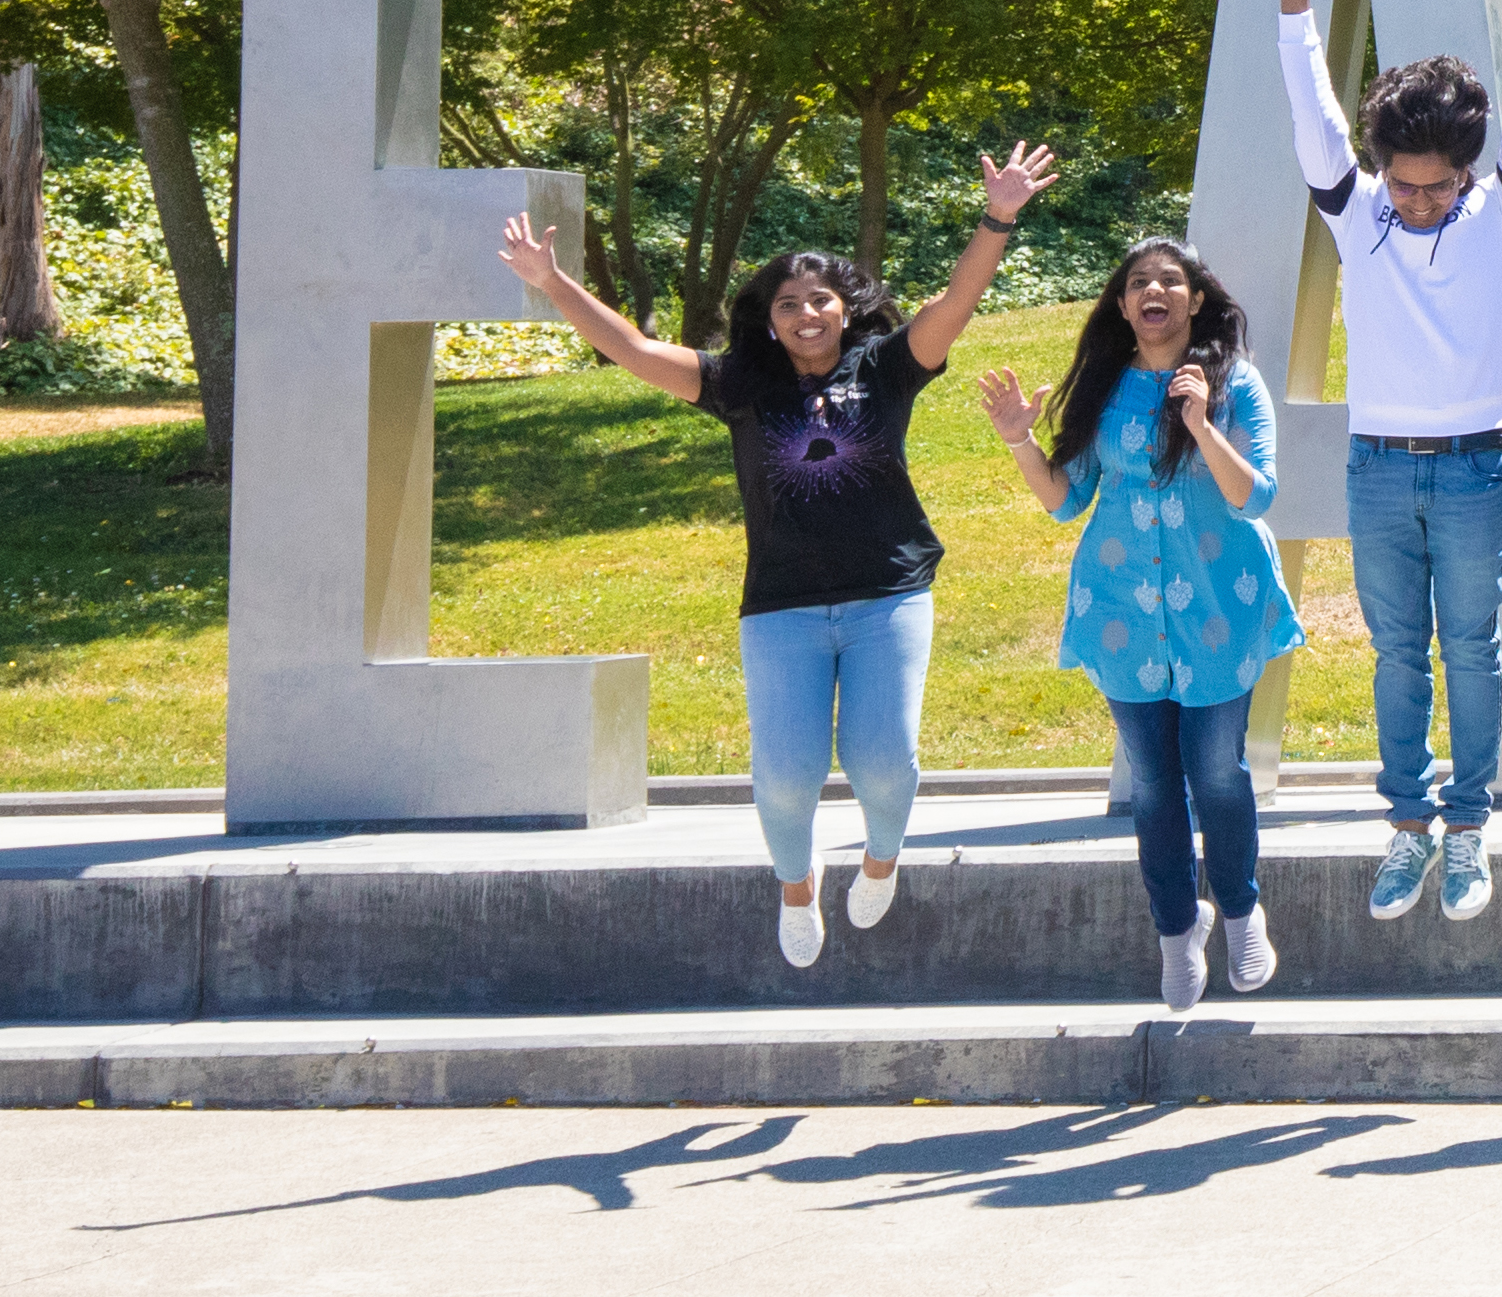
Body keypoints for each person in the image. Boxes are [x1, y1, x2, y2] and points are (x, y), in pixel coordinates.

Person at [484, 145, 1048, 972]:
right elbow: (636, 351)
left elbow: (958, 298)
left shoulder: (887, 367)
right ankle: (795, 883)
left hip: (886, 594)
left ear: (846, 308)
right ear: (770, 316)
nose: (806, 312)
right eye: (789, 303)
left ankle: (882, 857)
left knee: (882, 761)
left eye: (821, 298)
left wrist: (998, 215)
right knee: (786, 778)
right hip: (781, 605)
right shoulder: (740, 382)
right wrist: (554, 282)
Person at [1269, 0, 1502, 928]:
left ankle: (1469, 823)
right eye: (1403, 184)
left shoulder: (1499, 215)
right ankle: (1407, 826)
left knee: (1470, 645)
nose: (1418, 202)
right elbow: (1313, 114)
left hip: (1477, 466)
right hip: (1379, 466)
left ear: (1467, 173)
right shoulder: (1359, 217)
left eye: (1436, 186)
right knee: (1399, 650)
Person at [977, 241, 1292, 1011]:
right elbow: (1063, 498)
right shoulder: (1106, 389)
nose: (1154, 290)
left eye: (1170, 280)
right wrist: (1020, 436)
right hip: (1122, 612)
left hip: (1220, 607)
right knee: (1154, 784)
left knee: (1217, 773)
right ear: (1122, 306)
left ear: (1195, 300)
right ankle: (1177, 930)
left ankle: (1244, 910)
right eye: (1138, 282)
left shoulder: (1236, 383)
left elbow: (1255, 497)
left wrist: (1199, 420)